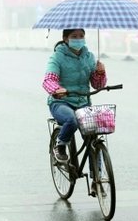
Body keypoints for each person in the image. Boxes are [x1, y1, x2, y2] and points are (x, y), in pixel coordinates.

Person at [42, 29, 107, 163]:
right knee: (72, 120)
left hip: (83, 103)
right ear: (66, 39)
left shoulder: (89, 57)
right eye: (74, 36)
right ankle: (60, 145)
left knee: (93, 138)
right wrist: (57, 89)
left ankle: (98, 179)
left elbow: (97, 85)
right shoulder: (57, 57)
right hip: (61, 102)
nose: (78, 39)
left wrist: (100, 73)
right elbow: (48, 80)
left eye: (81, 36)